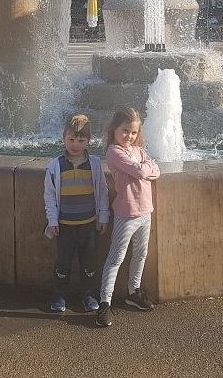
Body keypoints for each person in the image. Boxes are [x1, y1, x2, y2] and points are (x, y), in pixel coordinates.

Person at [95, 107, 160, 327]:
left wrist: (146, 167)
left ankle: (134, 291)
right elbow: (142, 172)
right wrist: (146, 167)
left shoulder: (138, 150)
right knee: (116, 257)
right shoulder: (114, 152)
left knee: (141, 254)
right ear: (114, 129)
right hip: (126, 212)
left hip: (146, 211)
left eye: (133, 132)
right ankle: (105, 302)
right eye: (125, 131)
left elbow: (156, 170)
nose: (129, 136)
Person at [43, 113, 109, 313]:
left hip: (89, 224)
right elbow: (49, 196)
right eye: (71, 139)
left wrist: (103, 216)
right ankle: (59, 294)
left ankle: (88, 294)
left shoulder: (94, 164)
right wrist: (52, 220)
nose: (75, 144)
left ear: (88, 141)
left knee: (89, 262)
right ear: (64, 137)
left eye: (81, 140)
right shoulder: (55, 165)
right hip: (64, 226)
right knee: (63, 262)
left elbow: (103, 191)